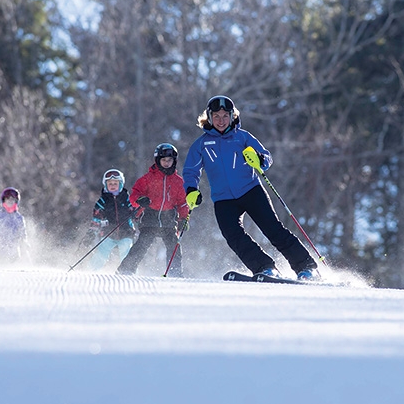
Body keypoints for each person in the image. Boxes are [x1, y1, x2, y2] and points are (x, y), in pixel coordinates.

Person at [182, 95, 320, 281]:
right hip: (223, 199)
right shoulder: (201, 145)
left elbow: (265, 157)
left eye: (225, 116)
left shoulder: (242, 137)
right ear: (209, 117)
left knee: (273, 229)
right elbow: (191, 170)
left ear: (232, 116)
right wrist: (191, 189)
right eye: (216, 116)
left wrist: (260, 160)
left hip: (250, 190)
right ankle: (264, 267)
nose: (221, 120)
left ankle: (307, 267)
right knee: (233, 236)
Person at [116, 143, 189, 277]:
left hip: (169, 219)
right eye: (164, 160)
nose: (167, 163)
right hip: (150, 217)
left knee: (174, 245)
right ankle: (125, 270)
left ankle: (175, 272)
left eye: (170, 160)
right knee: (142, 244)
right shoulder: (148, 179)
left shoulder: (178, 182)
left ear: (174, 161)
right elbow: (134, 195)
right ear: (158, 160)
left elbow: (182, 203)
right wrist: (140, 200)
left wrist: (183, 219)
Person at [85, 169, 137, 270]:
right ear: (105, 185)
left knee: (126, 252)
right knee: (101, 253)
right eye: (110, 184)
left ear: (121, 184)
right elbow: (96, 217)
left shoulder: (127, 199)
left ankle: (129, 271)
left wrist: (135, 212)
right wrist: (92, 232)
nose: (113, 185)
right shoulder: (102, 201)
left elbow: (135, 212)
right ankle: (90, 271)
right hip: (108, 233)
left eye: (115, 183)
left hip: (126, 233)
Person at [0, 186, 30, 265]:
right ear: (3, 201)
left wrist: (24, 247)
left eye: (12, 199)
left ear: (16, 201)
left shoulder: (19, 218)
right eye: (8, 199)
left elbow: (23, 235)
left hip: (14, 251)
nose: (10, 201)